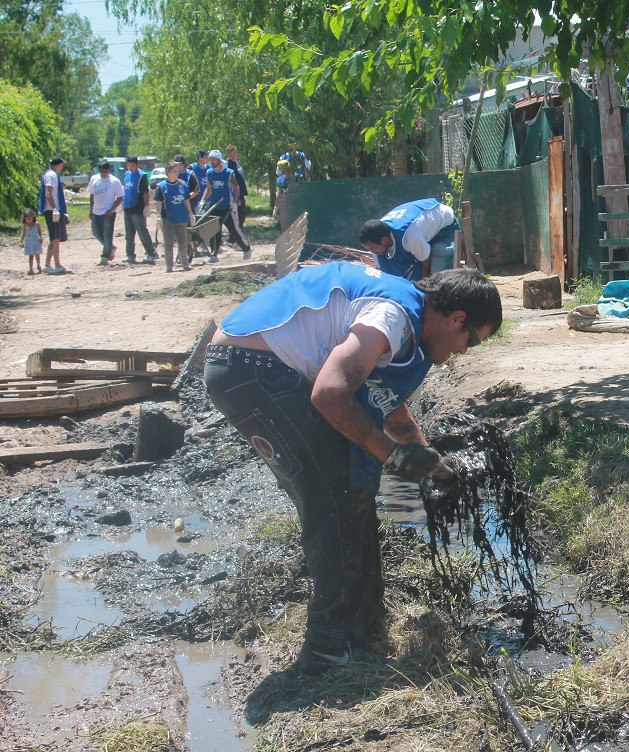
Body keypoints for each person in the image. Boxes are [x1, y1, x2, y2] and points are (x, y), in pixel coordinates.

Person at [203, 264, 502, 674]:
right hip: (254, 369)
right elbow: (330, 393)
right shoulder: (393, 316)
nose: (463, 352)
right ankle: (327, 649)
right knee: (335, 501)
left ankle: (364, 625)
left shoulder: (405, 315)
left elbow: (379, 397)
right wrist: (393, 457)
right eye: (470, 340)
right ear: (456, 319)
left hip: (255, 365)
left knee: (350, 496)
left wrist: (423, 453)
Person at [358, 199, 460, 281]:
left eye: (373, 249)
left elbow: (426, 260)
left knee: (436, 274)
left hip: (445, 226)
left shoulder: (410, 236)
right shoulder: (377, 236)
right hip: (422, 229)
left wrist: (424, 286)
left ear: (384, 240)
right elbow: (386, 275)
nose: (372, 252)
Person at [200, 149, 252, 262]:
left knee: (234, 230)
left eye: (214, 159)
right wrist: (203, 200)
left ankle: (247, 248)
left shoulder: (228, 173)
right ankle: (214, 254)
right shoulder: (209, 173)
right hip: (215, 206)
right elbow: (208, 189)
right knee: (215, 230)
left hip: (227, 206)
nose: (212, 162)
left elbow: (236, 188)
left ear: (219, 160)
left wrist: (234, 202)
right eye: (210, 160)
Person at [151, 159, 193, 272]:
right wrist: (159, 216)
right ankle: (169, 266)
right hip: (167, 218)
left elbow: (186, 200)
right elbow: (159, 203)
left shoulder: (182, 184)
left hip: (181, 217)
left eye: (177, 171)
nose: (177, 173)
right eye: (174, 171)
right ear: (168, 172)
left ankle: (185, 263)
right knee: (168, 243)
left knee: (183, 242)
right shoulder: (162, 186)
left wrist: (191, 213)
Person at [121, 155, 158, 264]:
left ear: (136, 164)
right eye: (128, 164)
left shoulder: (142, 175)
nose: (130, 167)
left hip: (137, 208)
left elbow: (145, 192)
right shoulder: (126, 174)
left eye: (132, 164)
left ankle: (151, 253)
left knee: (142, 232)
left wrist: (147, 206)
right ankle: (130, 254)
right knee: (129, 234)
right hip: (127, 208)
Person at [88, 160, 124, 266]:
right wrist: (91, 209)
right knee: (96, 232)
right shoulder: (94, 179)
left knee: (107, 234)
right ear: (99, 170)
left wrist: (112, 209)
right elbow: (92, 194)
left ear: (109, 170)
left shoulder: (114, 181)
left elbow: (120, 197)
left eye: (106, 171)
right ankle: (110, 247)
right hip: (96, 211)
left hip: (108, 212)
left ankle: (105, 256)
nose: (104, 173)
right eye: (102, 171)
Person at [38, 156, 68, 274]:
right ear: (59, 164)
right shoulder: (51, 175)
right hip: (52, 210)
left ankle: (51, 264)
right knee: (55, 238)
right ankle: (54, 265)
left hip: (53, 210)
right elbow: (48, 192)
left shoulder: (51, 174)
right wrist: (55, 208)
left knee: (55, 238)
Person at [189, 150, 211, 257]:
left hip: (208, 199)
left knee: (210, 222)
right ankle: (201, 243)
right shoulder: (192, 168)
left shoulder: (208, 168)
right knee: (199, 222)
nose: (208, 158)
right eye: (206, 156)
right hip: (197, 200)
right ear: (200, 157)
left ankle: (212, 243)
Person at [225, 144, 248, 230]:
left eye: (235, 154)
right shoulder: (228, 165)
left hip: (241, 195)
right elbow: (231, 184)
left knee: (242, 217)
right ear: (227, 154)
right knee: (237, 219)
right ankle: (232, 239)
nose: (233, 156)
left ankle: (234, 239)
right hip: (235, 196)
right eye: (231, 154)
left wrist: (243, 196)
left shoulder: (236, 163)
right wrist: (236, 199)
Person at [20, 208, 43, 275]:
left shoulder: (37, 224)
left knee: (37, 255)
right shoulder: (25, 225)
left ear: (33, 217)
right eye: (27, 219)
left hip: (36, 242)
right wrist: (21, 241)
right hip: (29, 242)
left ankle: (38, 265)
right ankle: (31, 268)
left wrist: (41, 238)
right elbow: (23, 234)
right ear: (24, 219)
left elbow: (39, 232)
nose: (29, 220)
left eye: (30, 218)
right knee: (30, 256)